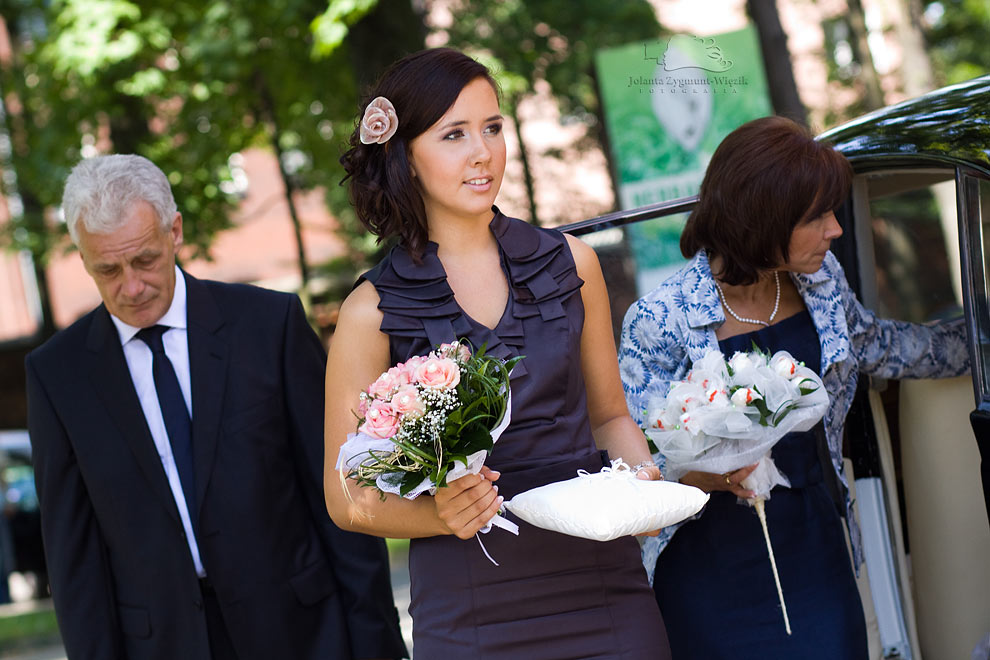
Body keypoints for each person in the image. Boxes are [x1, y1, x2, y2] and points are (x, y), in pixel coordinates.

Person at [324, 48, 671, 659]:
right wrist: (438, 515)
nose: (483, 152)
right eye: (454, 134)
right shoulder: (368, 313)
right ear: (405, 156)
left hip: (603, 588)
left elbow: (610, 417)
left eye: (492, 128)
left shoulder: (573, 264)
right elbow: (346, 496)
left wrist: (641, 480)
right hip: (470, 611)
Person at [25, 155, 407, 660]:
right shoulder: (58, 374)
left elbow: (337, 494)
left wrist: (377, 644)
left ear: (175, 231)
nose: (131, 287)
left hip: (302, 632)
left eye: (144, 260)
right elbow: (73, 558)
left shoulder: (268, 325)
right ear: (82, 257)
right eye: (107, 270)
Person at [619, 116, 969, 659]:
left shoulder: (821, 281)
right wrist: (705, 473)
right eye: (817, 216)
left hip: (815, 541)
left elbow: (882, 345)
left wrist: (979, 344)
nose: (835, 229)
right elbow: (634, 464)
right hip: (709, 566)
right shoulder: (658, 319)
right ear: (764, 219)